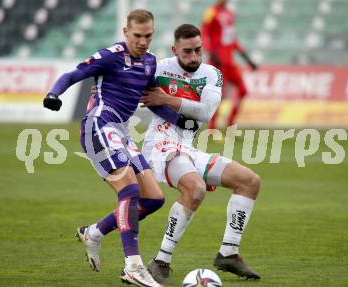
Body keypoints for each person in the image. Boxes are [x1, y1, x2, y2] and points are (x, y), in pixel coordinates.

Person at [43, 9, 193, 287]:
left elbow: (154, 102)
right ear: (126, 33)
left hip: (121, 132)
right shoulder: (110, 56)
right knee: (129, 190)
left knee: (153, 199)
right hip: (99, 123)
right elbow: (74, 74)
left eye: (148, 36)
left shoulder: (149, 63)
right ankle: (133, 266)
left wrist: (183, 122)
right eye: (137, 36)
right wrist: (54, 93)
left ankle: (94, 233)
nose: (143, 41)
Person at [139, 24, 262, 284]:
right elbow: (128, 86)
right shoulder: (159, 68)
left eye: (198, 50)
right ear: (175, 50)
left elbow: (206, 112)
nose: (194, 57)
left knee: (249, 181)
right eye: (187, 52)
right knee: (195, 189)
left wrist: (167, 99)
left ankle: (228, 253)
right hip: (160, 146)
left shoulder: (211, 73)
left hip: (190, 148)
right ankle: (161, 260)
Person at [201, 0, 257, 129]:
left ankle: (230, 123)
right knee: (219, 95)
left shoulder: (229, 13)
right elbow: (204, 32)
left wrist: (246, 58)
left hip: (229, 61)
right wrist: (211, 52)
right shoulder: (211, 12)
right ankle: (212, 129)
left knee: (243, 90)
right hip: (218, 61)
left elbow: (232, 39)